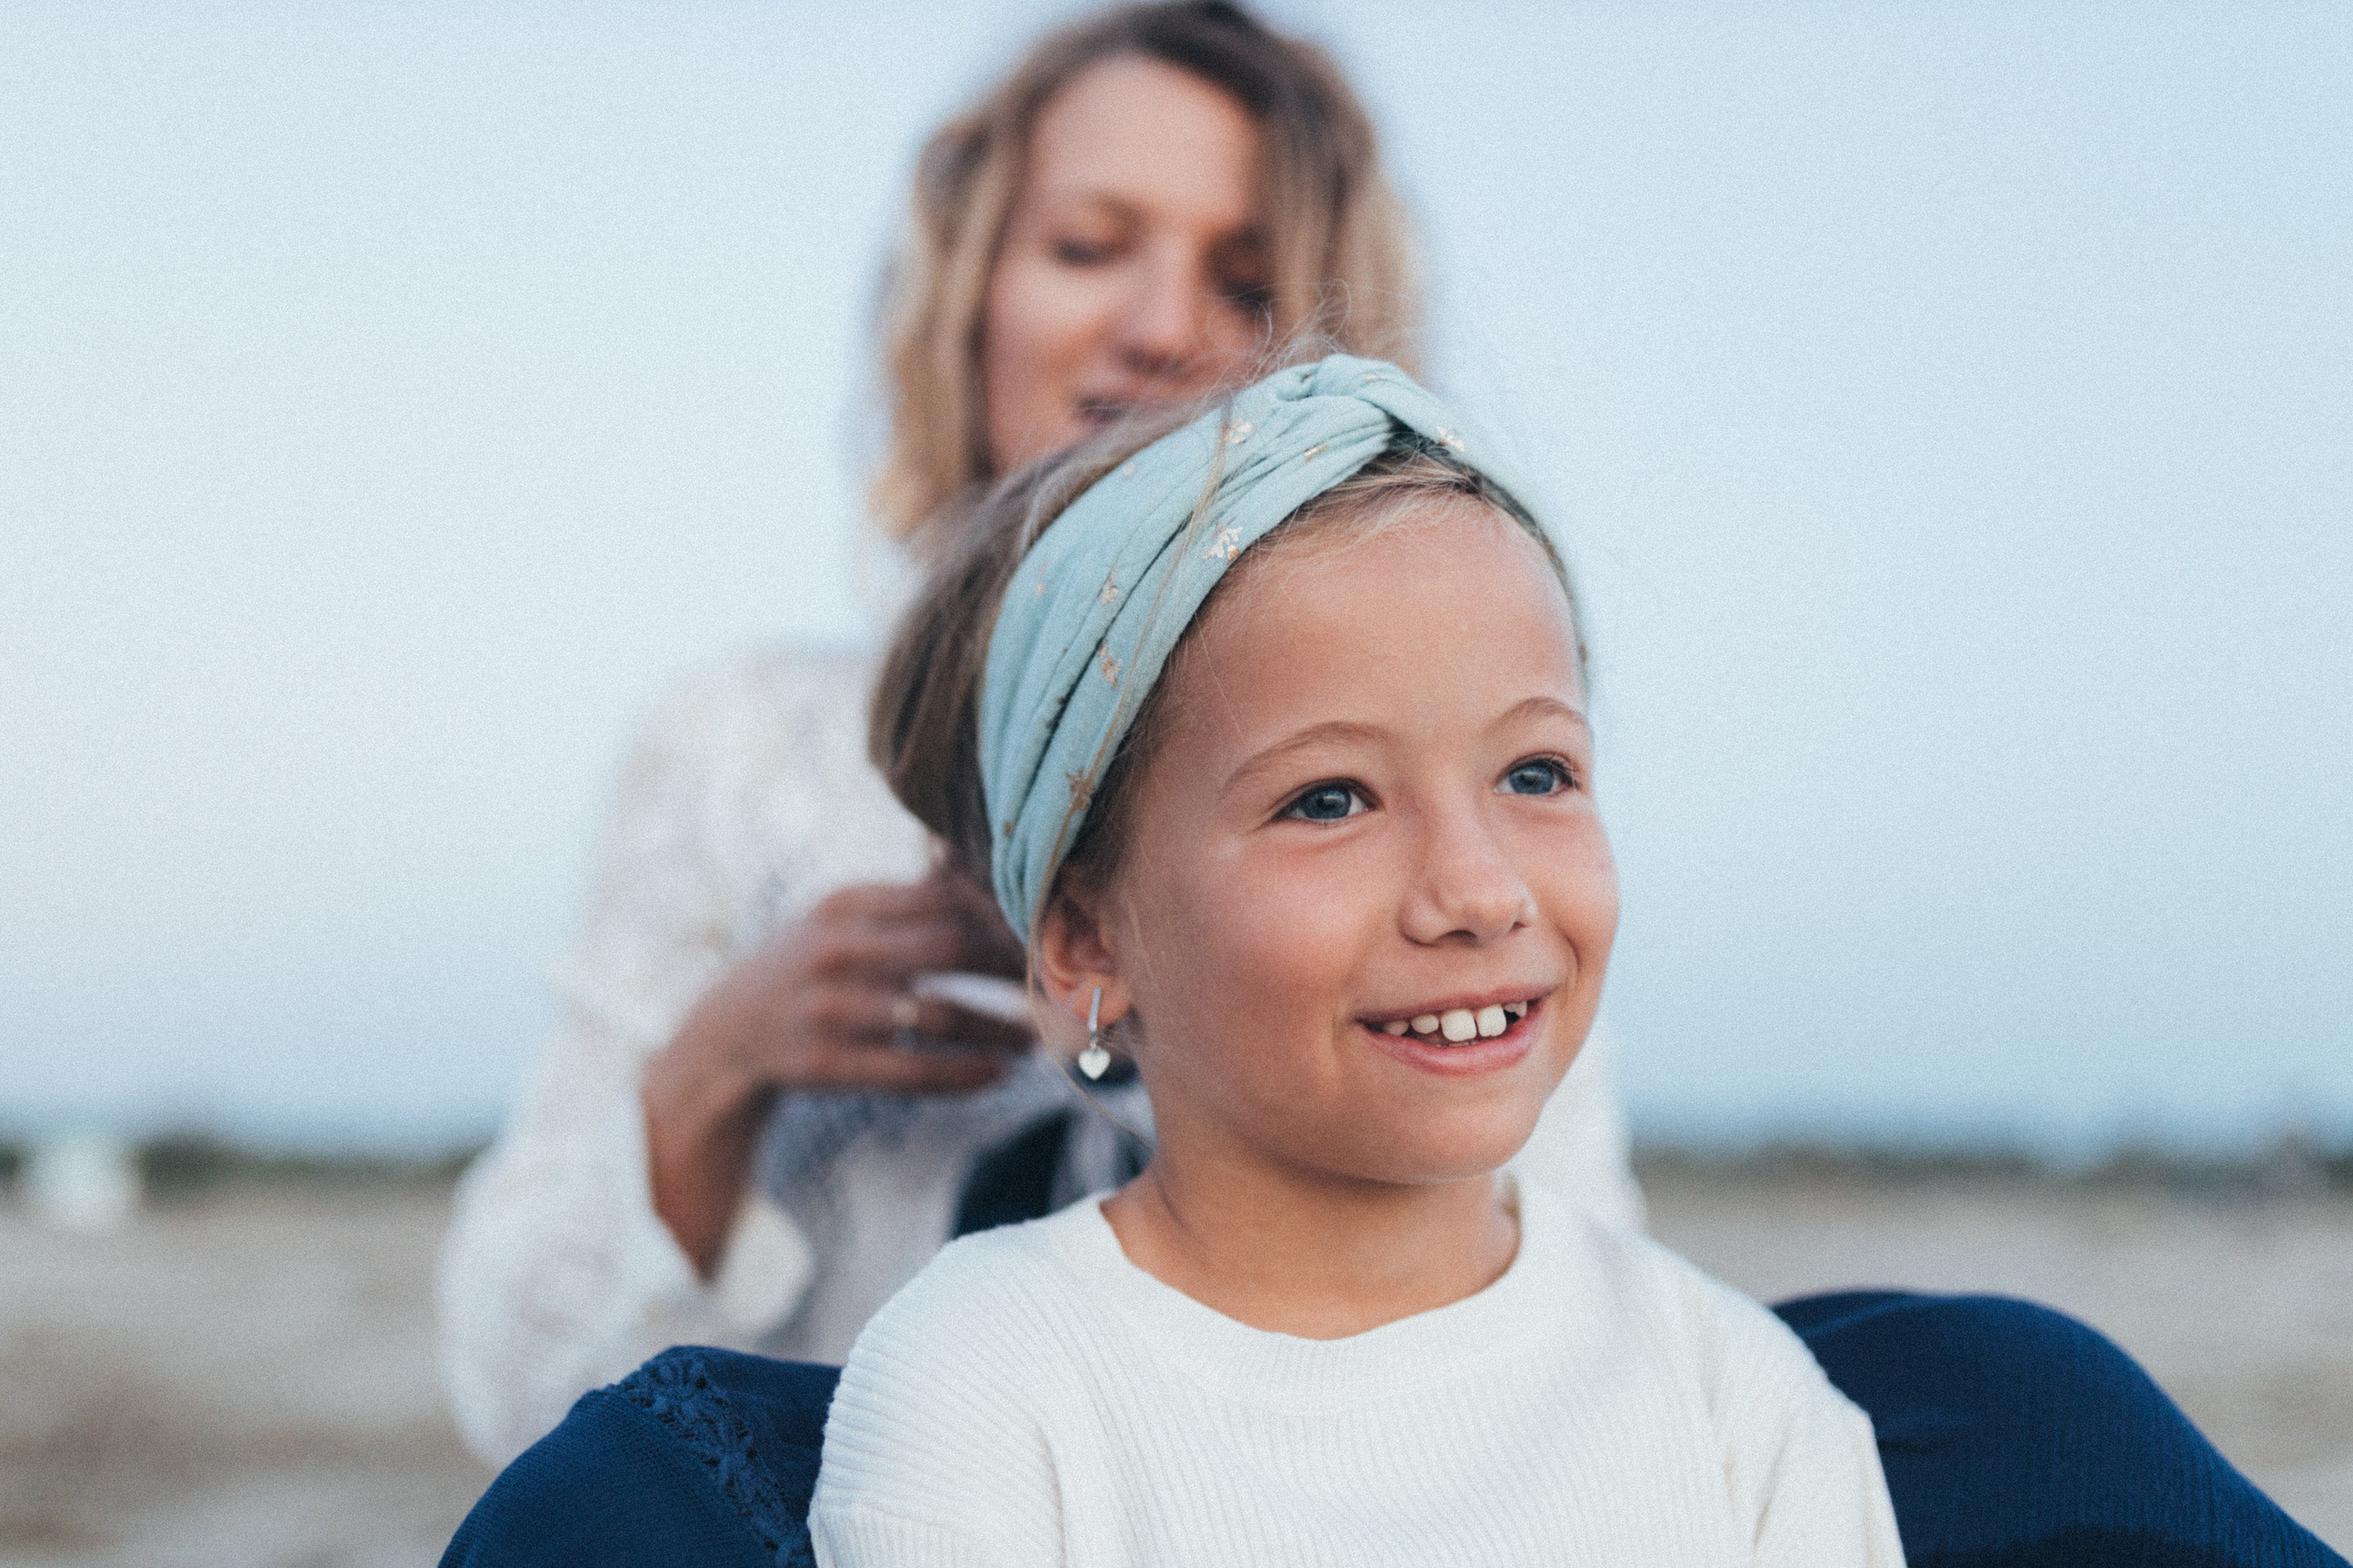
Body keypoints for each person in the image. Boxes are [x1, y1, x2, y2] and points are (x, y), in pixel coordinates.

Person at [438, 362, 2347, 1568]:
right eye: (1331, 799)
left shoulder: (1731, 1398)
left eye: (1534, 769)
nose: (1474, 884)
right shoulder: (988, 1379)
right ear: (1084, 942)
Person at [437, 0, 1644, 1470]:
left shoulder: (1441, 820)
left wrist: (1237, 996)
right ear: (970, 290)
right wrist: (720, 1066)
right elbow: (515, 1411)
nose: (1156, 326)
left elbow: (1567, 1309)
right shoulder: (737, 754)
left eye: (1245, 278)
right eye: (1089, 247)